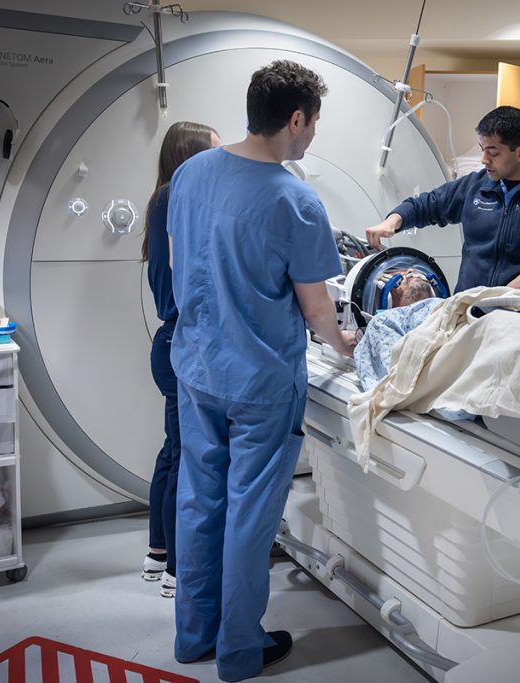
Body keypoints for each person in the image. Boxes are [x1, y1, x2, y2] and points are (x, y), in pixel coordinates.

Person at [166, 60, 355, 681]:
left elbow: (183, 259)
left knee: (200, 501)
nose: (312, 137)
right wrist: (347, 343)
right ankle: (240, 649)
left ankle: (193, 637)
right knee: (248, 514)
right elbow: (316, 308)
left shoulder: (192, 173)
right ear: (295, 119)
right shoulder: (295, 201)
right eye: (315, 123)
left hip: (197, 370)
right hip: (259, 384)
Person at [365, 105, 520, 300]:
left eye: (493, 152)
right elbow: (427, 204)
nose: (484, 160)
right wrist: (393, 221)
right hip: (468, 313)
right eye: (482, 150)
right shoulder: (476, 186)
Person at [140, 121, 219, 598]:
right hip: (181, 345)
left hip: (169, 343)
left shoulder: (163, 199)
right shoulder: (176, 200)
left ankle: (158, 553)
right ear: (191, 157)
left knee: (173, 452)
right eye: (213, 153)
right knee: (186, 457)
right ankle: (177, 571)